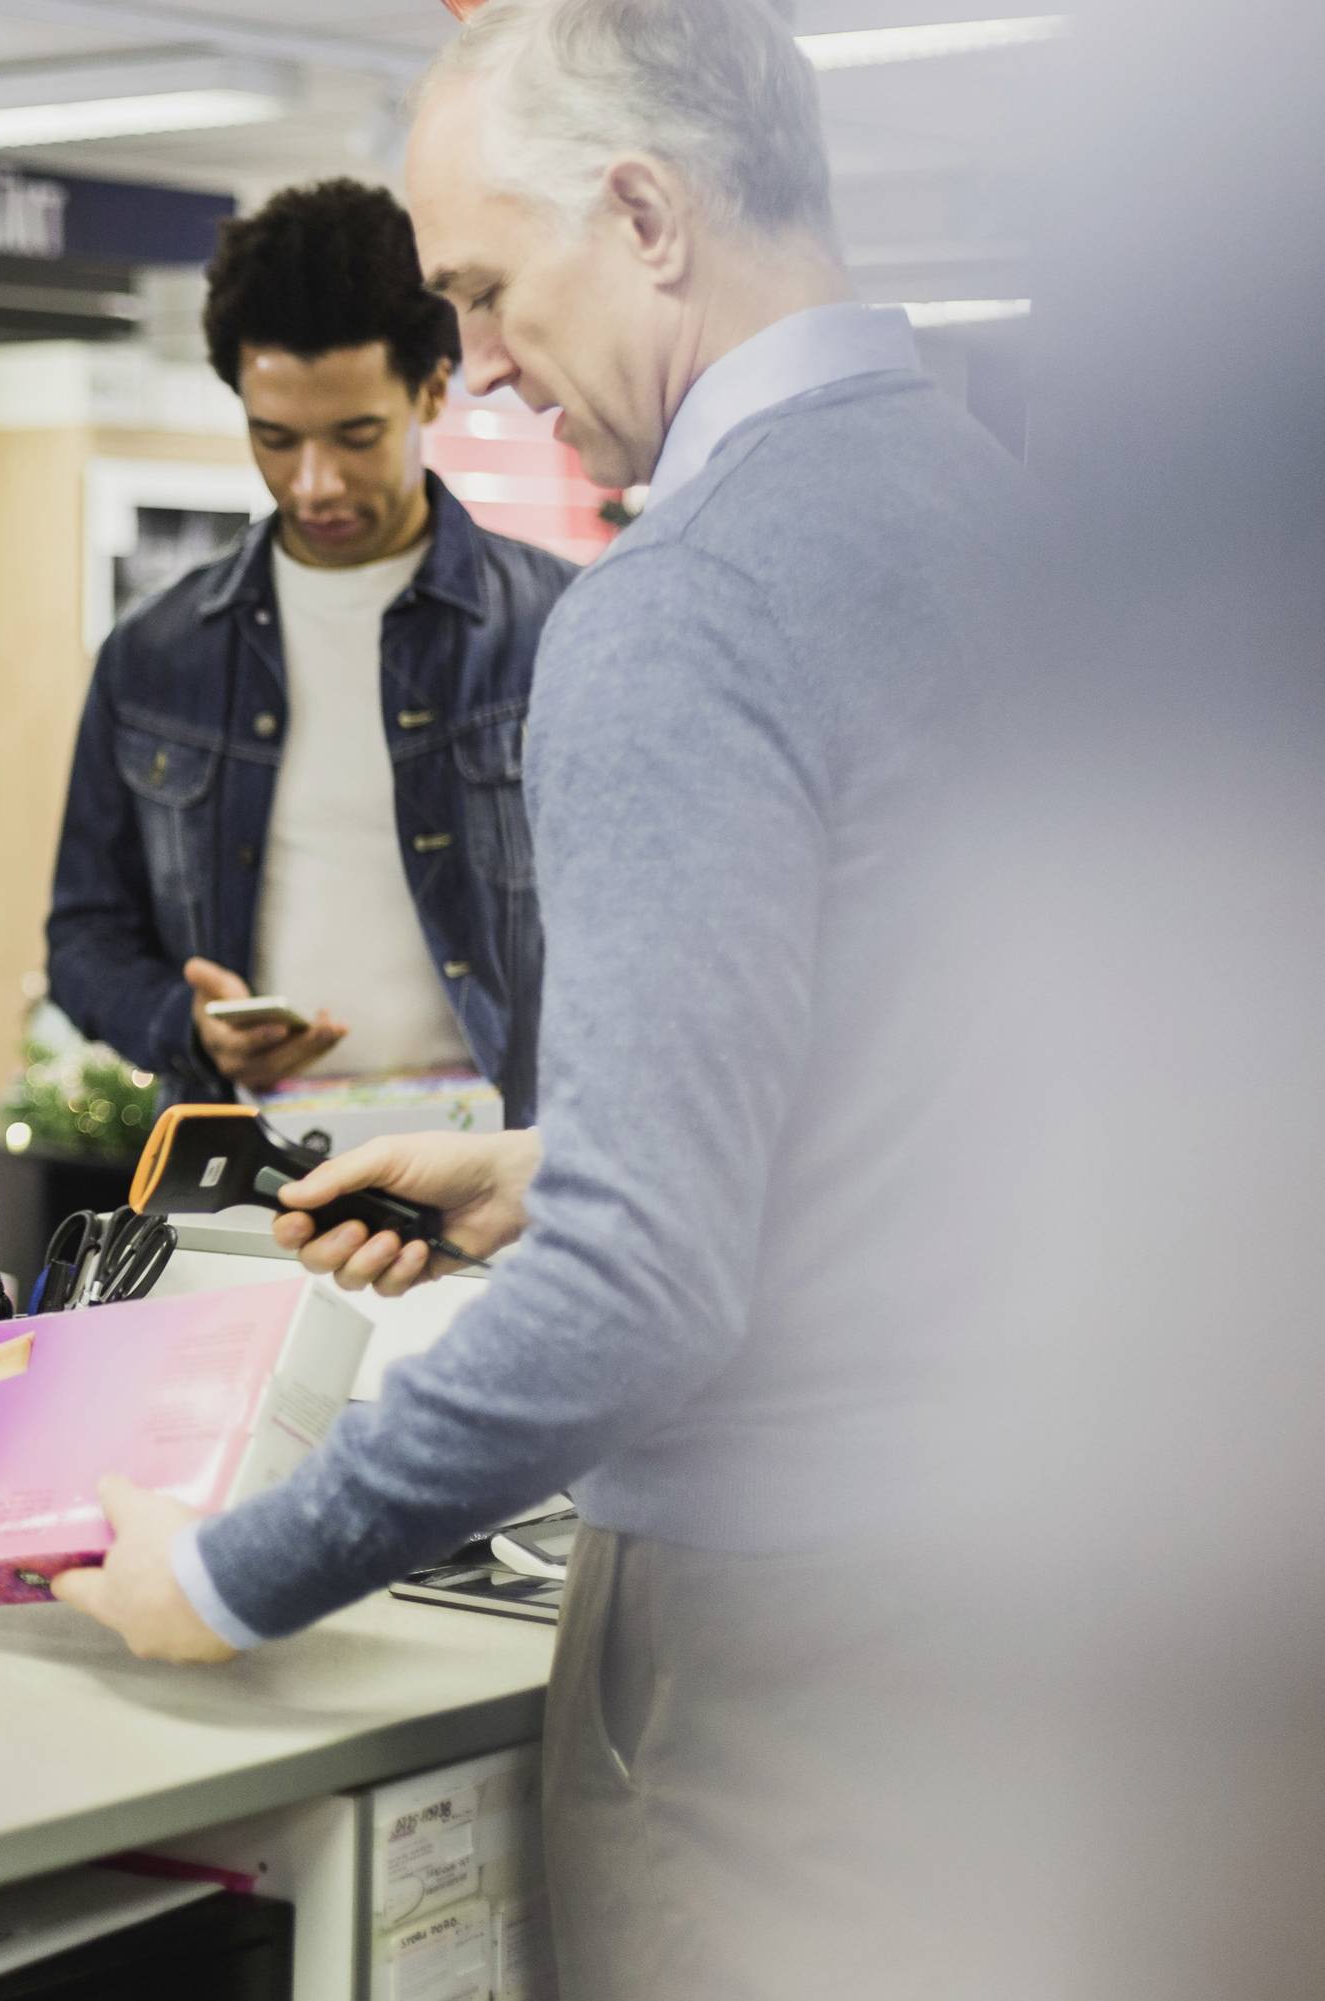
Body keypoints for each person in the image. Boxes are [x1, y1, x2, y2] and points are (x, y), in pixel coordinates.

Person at [52, 1, 1031, 1990]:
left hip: (786, 1630)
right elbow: (938, 1083)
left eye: (489, 291)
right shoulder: (1016, 527)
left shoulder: (676, 610)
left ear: (650, 216)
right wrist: (550, 1157)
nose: (479, 364)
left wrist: (231, 1573)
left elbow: (641, 1293)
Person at [43, 179, 574, 1115]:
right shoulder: (157, 654)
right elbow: (84, 938)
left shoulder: (557, 627)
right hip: (250, 1165)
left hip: (499, 1156)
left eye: (356, 435)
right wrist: (186, 1024)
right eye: (275, 438)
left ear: (433, 389)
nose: (314, 481)